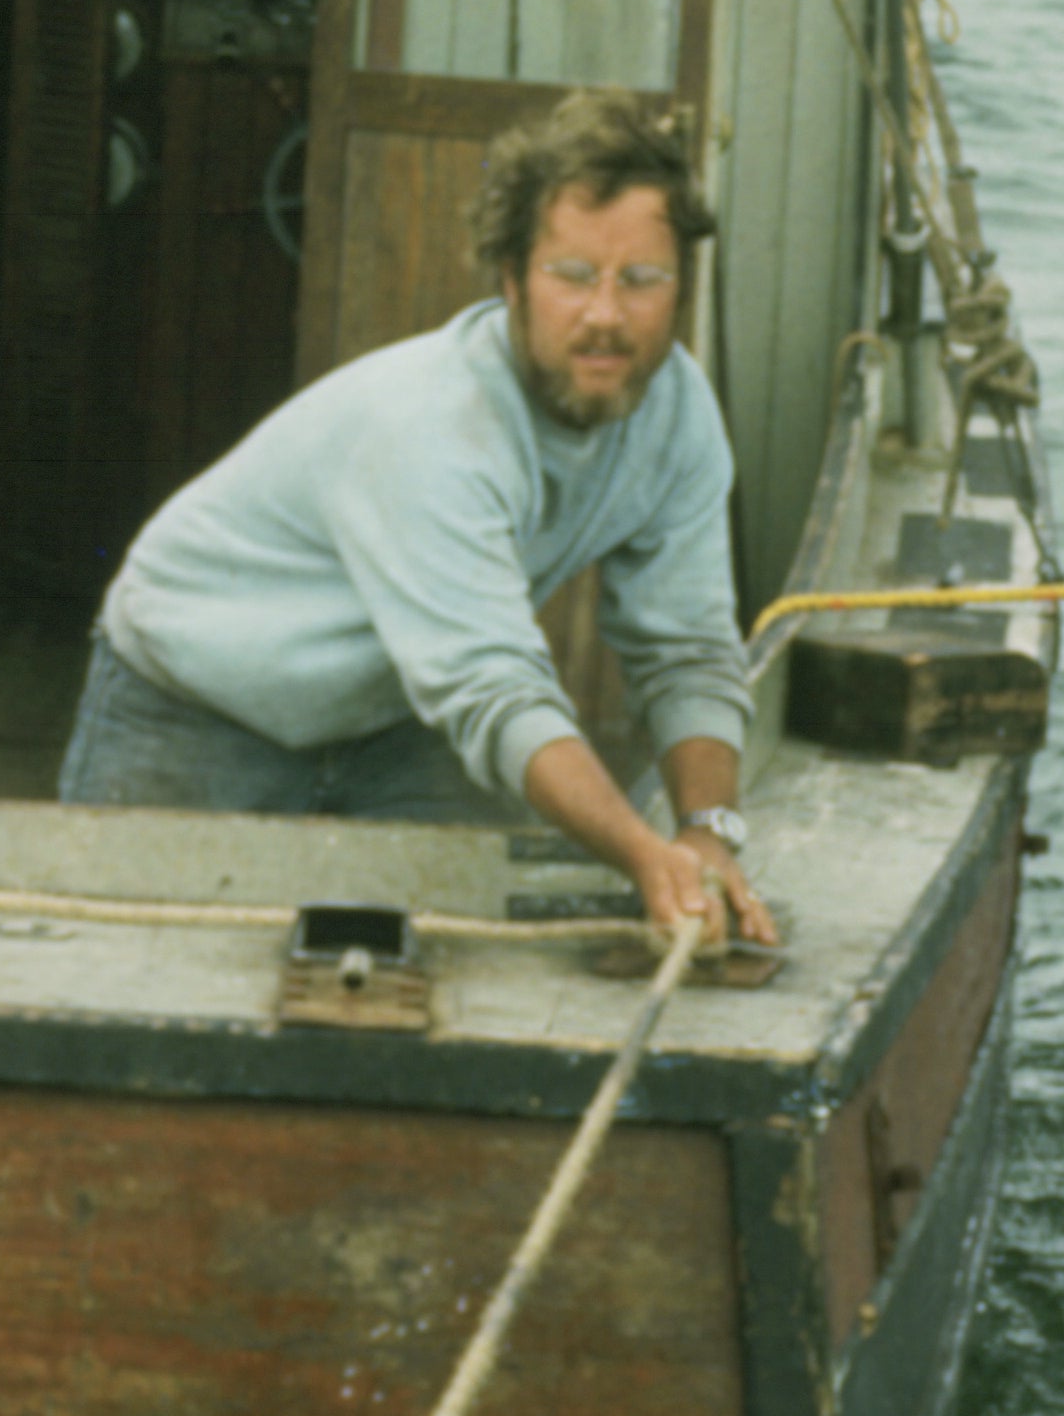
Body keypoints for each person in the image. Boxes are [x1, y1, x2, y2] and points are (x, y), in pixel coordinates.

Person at [56, 85, 779, 948]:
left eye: (642, 281)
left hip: (400, 717)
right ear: (511, 280)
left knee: (473, 976)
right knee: (120, 972)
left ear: (679, 288)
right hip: (196, 705)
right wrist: (642, 855)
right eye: (573, 276)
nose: (605, 317)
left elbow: (688, 651)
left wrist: (706, 834)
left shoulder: (680, 414)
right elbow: (494, 687)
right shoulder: (433, 427)